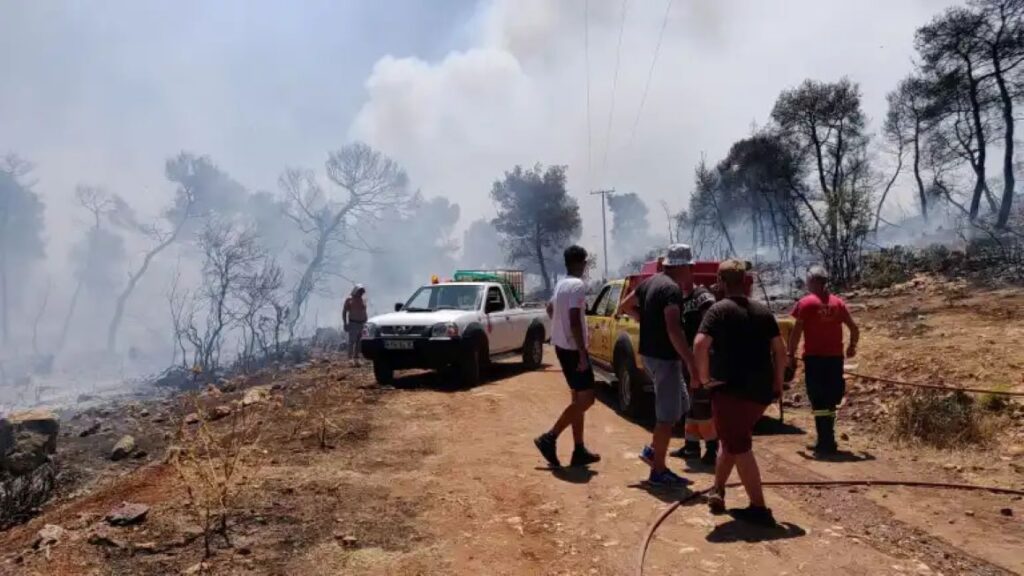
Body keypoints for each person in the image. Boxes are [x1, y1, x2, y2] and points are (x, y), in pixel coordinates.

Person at [694, 259, 787, 526]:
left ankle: (759, 508)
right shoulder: (762, 311)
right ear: (745, 281)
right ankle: (718, 490)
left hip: (729, 390)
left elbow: (700, 344)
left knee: (739, 445)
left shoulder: (717, 311)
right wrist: (778, 383)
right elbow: (780, 351)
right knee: (732, 439)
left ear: (721, 283)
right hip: (760, 391)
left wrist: (703, 378)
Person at [617, 244, 699, 487]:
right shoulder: (672, 290)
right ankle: (658, 472)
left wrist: (645, 320)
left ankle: (653, 452)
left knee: (680, 405)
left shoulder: (650, 283)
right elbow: (674, 329)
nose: (690, 272)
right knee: (666, 417)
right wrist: (691, 363)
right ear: (682, 266)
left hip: (650, 357)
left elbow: (625, 306)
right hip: (665, 359)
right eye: (690, 267)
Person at [534, 245, 601, 469]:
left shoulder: (561, 284)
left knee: (577, 400)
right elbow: (574, 319)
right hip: (573, 349)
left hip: (562, 346)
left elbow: (550, 309)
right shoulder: (578, 286)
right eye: (584, 262)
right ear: (578, 263)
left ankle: (579, 449)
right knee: (587, 399)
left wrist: (558, 330)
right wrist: (582, 353)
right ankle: (550, 437)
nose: (585, 267)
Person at [788, 265, 860, 455]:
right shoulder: (838, 303)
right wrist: (852, 347)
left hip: (814, 359)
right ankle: (827, 438)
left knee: (818, 400)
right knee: (830, 400)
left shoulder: (805, 304)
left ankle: (825, 441)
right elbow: (854, 328)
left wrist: (790, 354)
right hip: (835, 360)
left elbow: (796, 332)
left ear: (812, 281)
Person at [669, 260, 718, 466]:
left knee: (702, 405)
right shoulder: (679, 297)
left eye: (681, 270)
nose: (677, 275)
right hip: (687, 358)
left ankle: (712, 448)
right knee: (690, 404)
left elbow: (711, 320)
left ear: (690, 271)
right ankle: (691, 446)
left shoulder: (702, 296)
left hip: (703, 357)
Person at [343, 285, 368, 366]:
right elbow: (344, 312)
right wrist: (345, 323)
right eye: (359, 291)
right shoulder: (349, 300)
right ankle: (350, 359)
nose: (361, 293)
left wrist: (366, 323)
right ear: (355, 291)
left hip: (362, 323)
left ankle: (356, 359)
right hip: (353, 323)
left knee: (359, 342)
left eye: (361, 291)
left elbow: (364, 311)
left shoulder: (363, 300)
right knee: (352, 341)